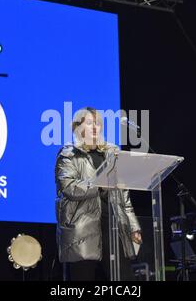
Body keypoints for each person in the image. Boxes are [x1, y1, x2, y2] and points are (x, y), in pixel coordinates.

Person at [55, 106, 142, 281]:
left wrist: (133, 226)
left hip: (113, 225)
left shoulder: (111, 153)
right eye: (89, 123)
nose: (95, 127)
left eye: (98, 123)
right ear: (78, 128)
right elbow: (68, 186)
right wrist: (99, 185)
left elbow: (123, 193)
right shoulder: (68, 154)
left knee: (125, 280)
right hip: (83, 229)